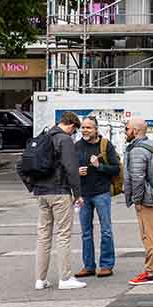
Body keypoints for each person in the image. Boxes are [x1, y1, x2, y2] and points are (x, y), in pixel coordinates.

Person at [32, 111, 85, 290]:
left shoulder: (44, 137)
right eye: (74, 131)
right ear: (71, 125)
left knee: (43, 236)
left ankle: (40, 280)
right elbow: (71, 169)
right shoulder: (65, 140)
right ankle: (65, 278)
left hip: (41, 192)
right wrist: (77, 194)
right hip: (59, 192)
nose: (73, 134)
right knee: (63, 235)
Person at [123, 117, 153, 286]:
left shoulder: (137, 150)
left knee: (149, 237)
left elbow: (137, 178)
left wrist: (137, 200)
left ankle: (150, 273)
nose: (125, 132)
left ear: (135, 131)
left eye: (127, 129)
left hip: (148, 200)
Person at [74, 116, 119, 279]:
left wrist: (99, 166)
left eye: (88, 128)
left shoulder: (105, 145)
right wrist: (77, 172)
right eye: (83, 128)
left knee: (106, 230)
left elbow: (115, 169)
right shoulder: (77, 146)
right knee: (86, 232)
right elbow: (69, 168)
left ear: (96, 129)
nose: (85, 131)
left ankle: (106, 265)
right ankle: (89, 266)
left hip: (101, 193)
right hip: (83, 195)